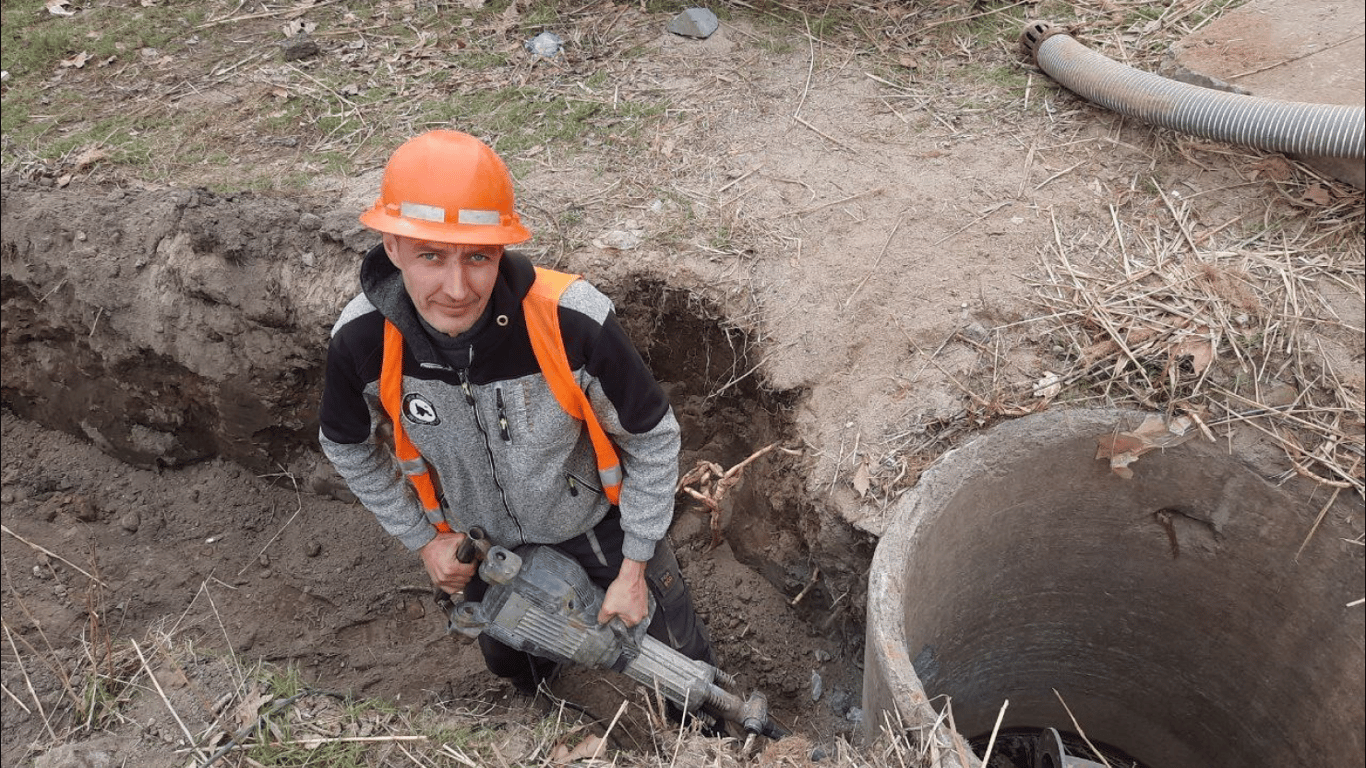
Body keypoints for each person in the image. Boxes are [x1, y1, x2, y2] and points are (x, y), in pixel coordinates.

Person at [319, 129, 715, 696]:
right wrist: (423, 539)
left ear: (501, 250)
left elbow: (652, 439)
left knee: (683, 668)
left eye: (478, 258)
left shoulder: (571, 322)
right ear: (393, 246)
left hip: (595, 528)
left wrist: (634, 568)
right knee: (513, 666)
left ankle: (704, 739)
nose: (457, 288)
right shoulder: (362, 341)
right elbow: (346, 446)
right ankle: (552, 713)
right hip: (489, 548)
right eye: (431, 256)